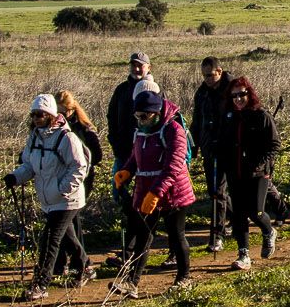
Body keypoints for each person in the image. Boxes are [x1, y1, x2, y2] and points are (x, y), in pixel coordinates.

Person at [2, 93, 90, 300]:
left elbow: (79, 167)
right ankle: (85, 267)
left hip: (67, 199)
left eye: (40, 114)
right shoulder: (34, 138)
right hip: (49, 199)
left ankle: (40, 284)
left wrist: (61, 189)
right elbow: (29, 166)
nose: (36, 119)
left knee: (50, 239)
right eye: (33, 115)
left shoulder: (66, 138)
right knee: (67, 237)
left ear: (51, 115)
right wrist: (15, 177)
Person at [111, 88, 194, 293]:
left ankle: (184, 278)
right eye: (137, 116)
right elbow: (135, 155)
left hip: (173, 192)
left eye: (144, 116)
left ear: (156, 113)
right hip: (146, 190)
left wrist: (156, 193)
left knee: (176, 235)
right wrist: (127, 171)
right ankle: (132, 282)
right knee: (143, 237)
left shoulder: (173, 130)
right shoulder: (140, 130)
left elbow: (173, 167)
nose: (140, 120)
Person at [220, 75, 280, 267]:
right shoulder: (229, 117)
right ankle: (243, 254)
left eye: (242, 94)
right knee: (238, 214)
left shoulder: (262, 115)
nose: (238, 99)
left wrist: (260, 163)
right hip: (234, 172)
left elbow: (274, 144)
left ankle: (268, 230)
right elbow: (224, 142)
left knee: (256, 212)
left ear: (250, 94)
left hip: (257, 174)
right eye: (234, 95)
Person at [190, 56, 230, 251]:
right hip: (209, 149)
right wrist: (193, 145)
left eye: (210, 75)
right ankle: (232, 221)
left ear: (219, 71)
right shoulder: (202, 93)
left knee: (220, 192)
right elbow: (197, 120)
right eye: (204, 76)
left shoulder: (233, 90)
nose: (207, 79)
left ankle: (217, 235)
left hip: (229, 148)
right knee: (216, 191)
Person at [104, 51, 154, 176]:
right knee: (118, 189)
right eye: (133, 65)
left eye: (140, 66)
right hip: (123, 148)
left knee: (143, 188)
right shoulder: (121, 90)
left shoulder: (155, 90)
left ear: (149, 67)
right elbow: (111, 116)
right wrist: (114, 140)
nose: (136, 69)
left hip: (147, 149)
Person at [53, 90, 103, 194]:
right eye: (57, 113)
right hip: (58, 175)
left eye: (63, 113)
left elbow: (97, 155)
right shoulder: (52, 128)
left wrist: (81, 165)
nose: (60, 117)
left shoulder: (85, 129)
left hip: (82, 176)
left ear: (72, 109)